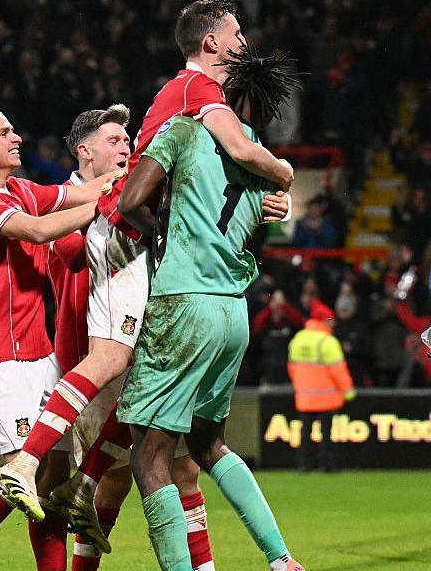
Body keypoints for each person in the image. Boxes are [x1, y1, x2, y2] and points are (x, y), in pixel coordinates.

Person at [0, 0, 293, 517]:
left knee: (137, 384)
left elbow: (217, 180)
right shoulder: (198, 88)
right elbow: (245, 153)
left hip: (144, 239)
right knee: (113, 358)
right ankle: (25, 464)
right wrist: (286, 173)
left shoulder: (195, 100)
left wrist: (266, 202)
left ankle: (82, 484)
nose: (244, 43)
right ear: (211, 42)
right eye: (237, 33)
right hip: (120, 227)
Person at [117, 44, 306, 571]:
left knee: (149, 454)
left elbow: (131, 201)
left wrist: (162, 237)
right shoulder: (262, 159)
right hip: (232, 312)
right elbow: (264, 214)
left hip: (184, 302)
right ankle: (280, 557)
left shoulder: (182, 131)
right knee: (208, 443)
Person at [0, 105, 119, 571]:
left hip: (41, 355)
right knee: (23, 475)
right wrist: (103, 203)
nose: (17, 138)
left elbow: (80, 192)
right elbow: (36, 230)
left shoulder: (18, 189)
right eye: (5, 132)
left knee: (52, 480)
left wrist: (133, 171)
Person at [45, 106, 216, 571]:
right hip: (93, 360)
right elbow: (68, 252)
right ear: (85, 151)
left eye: (128, 140)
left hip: (148, 349)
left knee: (184, 468)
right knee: (110, 482)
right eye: (115, 141)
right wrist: (104, 205)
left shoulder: (135, 196)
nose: (126, 148)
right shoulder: (62, 199)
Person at [287, 299, 356, 472]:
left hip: (304, 396)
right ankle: (327, 466)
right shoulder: (328, 342)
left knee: (305, 434)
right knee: (326, 434)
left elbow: (291, 367)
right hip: (327, 397)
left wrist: (300, 386)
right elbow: (338, 370)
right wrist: (348, 391)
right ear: (324, 320)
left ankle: (304, 465)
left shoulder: (299, 338)